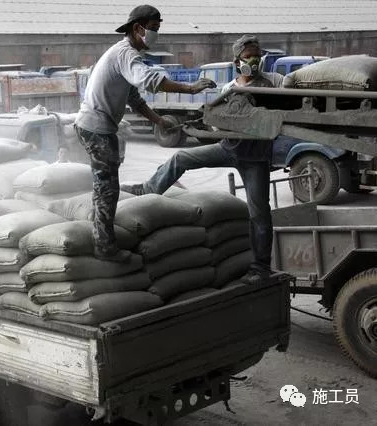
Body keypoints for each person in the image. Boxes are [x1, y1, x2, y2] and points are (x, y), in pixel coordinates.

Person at [121, 35, 283, 284]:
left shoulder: (271, 84)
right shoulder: (229, 88)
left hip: (256, 159)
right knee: (181, 157)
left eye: (257, 55)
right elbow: (218, 120)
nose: (254, 60)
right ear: (237, 60)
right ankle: (149, 188)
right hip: (228, 148)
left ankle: (260, 266)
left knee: (259, 214)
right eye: (248, 56)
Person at [75, 4, 216, 262]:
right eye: (153, 29)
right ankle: (104, 247)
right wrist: (191, 88)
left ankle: (101, 233)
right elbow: (150, 80)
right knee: (107, 188)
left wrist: (159, 120)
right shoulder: (126, 54)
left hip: (96, 125)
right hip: (96, 126)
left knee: (108, 184)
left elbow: (134, 99)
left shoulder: (122, 55)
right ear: (138, 28)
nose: (155, 35)